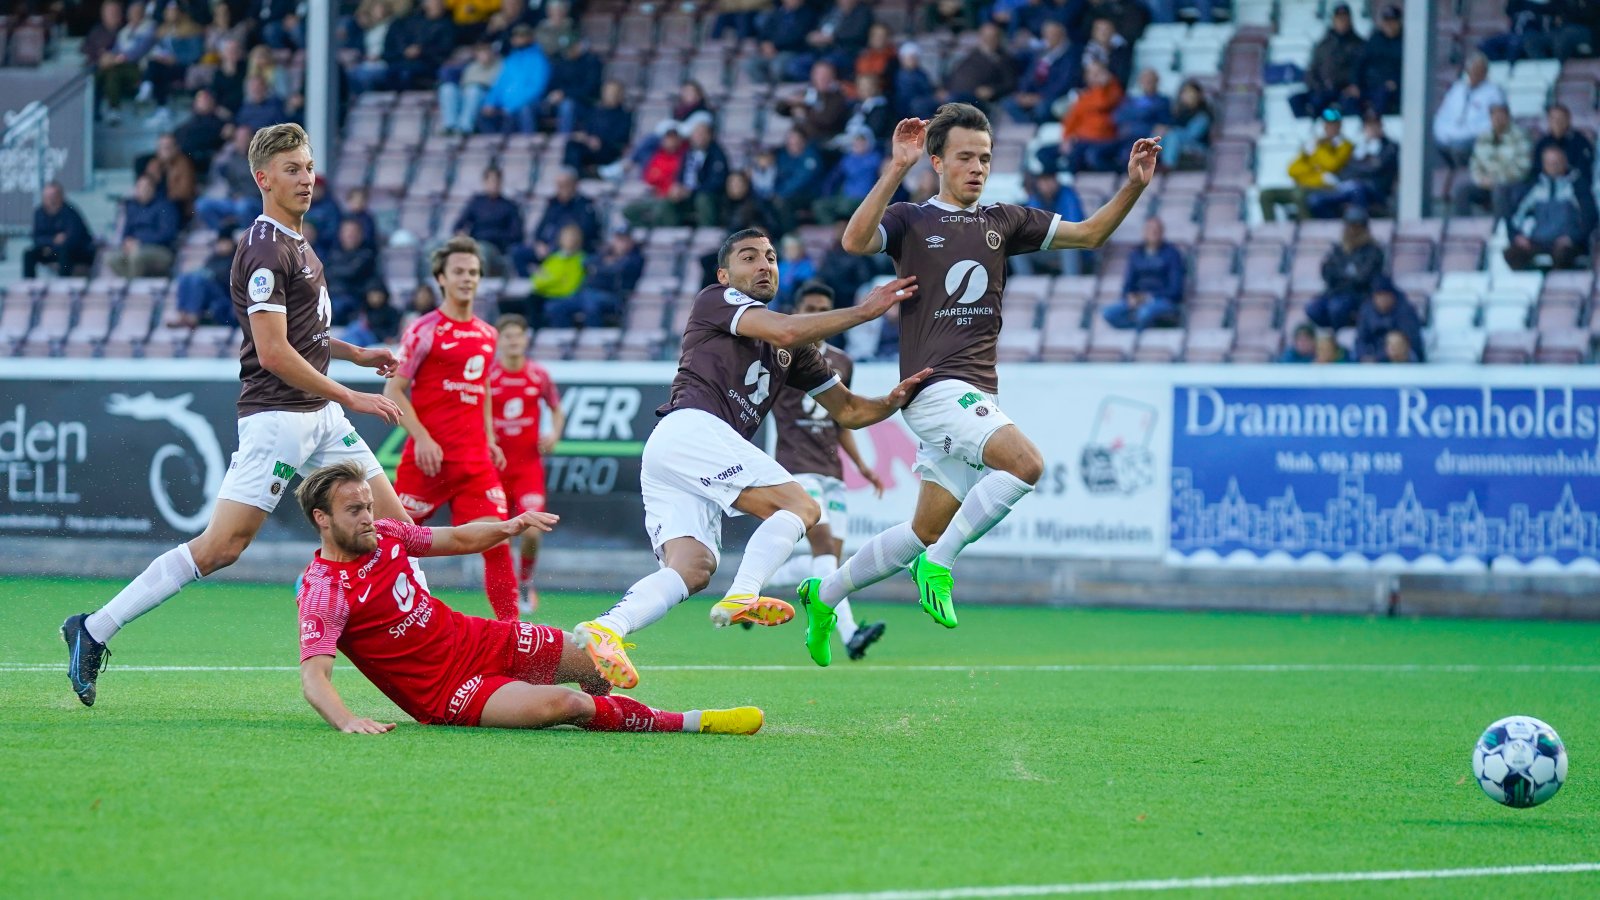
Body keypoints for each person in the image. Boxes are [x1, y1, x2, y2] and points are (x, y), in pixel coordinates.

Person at [62, 124, 406, 708]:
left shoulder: (300, 242)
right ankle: (93, 629)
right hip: (278, 418)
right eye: (292, 169)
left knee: (393, 529)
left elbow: (306, 334)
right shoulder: (265, 248)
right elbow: (272, 351)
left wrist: (354, 353)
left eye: (309, 166)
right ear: (262, 178)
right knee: (221, 548)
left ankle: (429, 651)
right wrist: (350, 394)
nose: (306, 178)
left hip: (319, 413)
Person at [822, 104, 1157, 660]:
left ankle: (826, 593)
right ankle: (939, 567)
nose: (977, 168)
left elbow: (1092, 234)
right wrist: (894, 167)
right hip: (933, 388)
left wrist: (1133, 186)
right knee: (1026, 465)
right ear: (937, 161)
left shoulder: (1004, 220)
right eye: (964, 158)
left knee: (921, 530)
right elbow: (855, 242)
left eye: (985, 158)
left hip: (975, 392)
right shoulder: (910, 218)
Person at [569, 230, 927, 689]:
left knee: (693, 568)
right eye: (749, 257)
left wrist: (893, 400)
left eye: (772, 258)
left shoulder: (793, 349)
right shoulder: (715, 300)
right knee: (802, 508)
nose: (765, 264)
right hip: (693, 429)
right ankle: (743, 595)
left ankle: (606, 630)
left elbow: (851, 411)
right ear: (725, 274)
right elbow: (788, 327)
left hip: (677, 451)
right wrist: (864, 311)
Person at [293, 461, 763, 735]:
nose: (369, 518)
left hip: (480, 639)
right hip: (445, 692)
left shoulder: (389, 533)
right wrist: (348, 720)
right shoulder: (324, 590)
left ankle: (601, 690)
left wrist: (508, 526)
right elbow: (315, 678)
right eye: (355, 510)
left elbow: (455, 539)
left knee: (591, 662)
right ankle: (688, 721)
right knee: (564, 705)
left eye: (369, 507)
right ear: (322, 518)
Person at [385, 236, 520, 623]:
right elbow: (393, 389)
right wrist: (422, 438)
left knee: (496, 541)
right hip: (427, 461)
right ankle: (341, 593)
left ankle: (512, 633)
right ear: (441, 278)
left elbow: (484, 389)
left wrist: (490, 438)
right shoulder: (423, 330)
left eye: (474, 273)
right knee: (389, 542)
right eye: (459, 272)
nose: (467, 279)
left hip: (474, 462)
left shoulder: (487, 334)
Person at [764, 284, 888, 661]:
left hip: (831, 469)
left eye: (823, 308)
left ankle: (757, 588)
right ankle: (849, 633)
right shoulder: (780, 353)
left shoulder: (842, 361)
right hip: (795, 467)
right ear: (798, 311)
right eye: (811, 307)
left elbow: (841, 417)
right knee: (822, 547)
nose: (817, 313)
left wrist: (863, 466)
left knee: (832, 557)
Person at [488, 314, 565, 614]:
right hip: (494, 469)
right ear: (499, 341)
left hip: (528, 467)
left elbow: (558, 411)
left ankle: (525, 580)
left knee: (532, 530)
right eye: (508, 336)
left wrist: (554, 434)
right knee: (498, 534)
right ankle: (505, 591)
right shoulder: (489, 376)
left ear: (525, 339)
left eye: (518, 336)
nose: (513, 341)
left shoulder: (538, 376)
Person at [1504, 144, 1598, 270]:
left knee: (1564, 255)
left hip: (1565, 241)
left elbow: (1589, 217)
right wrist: (1517, 235)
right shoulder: (1533, 186)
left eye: (1557, 162)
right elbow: (1515, 215)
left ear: (1565, 162)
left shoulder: (1578, 186)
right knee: (1513, 253)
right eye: (1549, 163)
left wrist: (1573, 237)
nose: (1553, 166)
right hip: (1536, 239)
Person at [1259, 107, 1350, 222]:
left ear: (1339, 126)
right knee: (1266, 194)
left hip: (1326, 188)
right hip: (1305, 186)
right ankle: (1271, 230)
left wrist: (1319, 149)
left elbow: (1332, 165)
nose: (1329, 128)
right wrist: (1314, 167)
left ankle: (1307, 230)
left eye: (1333, 125)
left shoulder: (1345, 145)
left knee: (1299, 194)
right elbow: (1292, 170)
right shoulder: (1314, 146)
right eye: (1327, 125)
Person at [543, 226, 643, 328]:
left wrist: (600, 267)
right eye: (617, 239)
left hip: (612, 296)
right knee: (554, 307)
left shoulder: (635, 258)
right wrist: (605, 264)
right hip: (587, 293)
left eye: (623, 240)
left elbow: (617, 270)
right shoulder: (605, 253)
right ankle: (564, 338)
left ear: (631, 241)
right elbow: (587, 262)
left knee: (591, 304)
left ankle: (594, 339)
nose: (619, 243)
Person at [1037, 60, 1123, 173]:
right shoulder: (1084, 97)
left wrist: (1106, 84)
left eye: (1098, 73)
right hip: (1080, 140)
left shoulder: (1113, 91)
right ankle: (1059, 176)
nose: (1095, 77)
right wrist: (1066, 139)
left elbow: (1103, 103)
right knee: (1042, 153)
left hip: (1101, 140)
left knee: (1079, 156)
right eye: (1091, 73)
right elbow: (1072, 119)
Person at [1308, 111, 1398, 218]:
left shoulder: (1390, 147)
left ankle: (1359, 226)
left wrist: (1359, 166)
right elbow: (1346, 170)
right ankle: (1334, 229)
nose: (1372, 129)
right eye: (1368, 125)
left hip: (1376, 191)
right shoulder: (1357, 147)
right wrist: (1366, 163)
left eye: (1375, 125)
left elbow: (1374, 169)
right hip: (1350, 187)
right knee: (1316, 199)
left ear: (1381, 126)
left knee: (1357, 188)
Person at [1307, 206, 1385, 328]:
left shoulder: (1373, 250)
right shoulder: (1339, 248)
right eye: (1349, 226)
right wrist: (1345, 273)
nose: (1352, 230)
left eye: (1356, 227)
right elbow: (1326, 271)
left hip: (1358, 295)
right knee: (1313, 309)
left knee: (1337, 308)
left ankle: (1341, 334)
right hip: (1335, 291)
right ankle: (1329, 335)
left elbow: (1362, 278)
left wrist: (1340, 274)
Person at [1451, 103, 1531, 218]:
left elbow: (1523, 167)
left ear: (1508, 117)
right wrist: (1481, 180)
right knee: (1461, 190)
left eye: (1501, 115)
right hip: (1486, 184)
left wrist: (1497, 180)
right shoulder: (1483, 137)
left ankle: (1499, 229)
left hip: (1510, 184)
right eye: (1495, 116)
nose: (1498, 119)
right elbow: (1475, 164)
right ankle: (1465, 228)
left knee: (1499, 191)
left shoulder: (1520, 136)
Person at [1102, 217, 1183, 330]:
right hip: (1139, 300)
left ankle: (1139, 334)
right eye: (1150, 229)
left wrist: (1148, 297)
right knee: (1108, 313)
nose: (1153, 232)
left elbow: (1175, 289)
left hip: (1162, 299)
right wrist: (1130, 297)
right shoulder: (1135, 255)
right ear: (1144, 233)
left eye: (1157, 229)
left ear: (1162, 232)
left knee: (1144, 313)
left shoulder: (1172, 254)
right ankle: (1139, 329)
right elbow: (1128, 283)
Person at [1289, 2, 1364, 119]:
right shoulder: (1322, 45)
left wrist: (1352, 85)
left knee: (1348, 103)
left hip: (1345, 92)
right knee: (1297, 100)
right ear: (1333, 20)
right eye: (1339, 18)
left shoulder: (1359, 45)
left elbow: (1361, 71)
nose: (1342, 21)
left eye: (1345, 18)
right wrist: (1318, 86)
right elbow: (1311, 71)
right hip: (1323, 90)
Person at [1434, 52, 1506, 167]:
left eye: (1478, 70)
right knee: (1426, 144)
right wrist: (1444, 134)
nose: (1474, 74)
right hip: (1449, 135)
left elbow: (1495, 122)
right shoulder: (1457, 89)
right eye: (1471, 70)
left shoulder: (1494, 92)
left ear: (1485, 72)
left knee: (1460, 148)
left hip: (1474, 137)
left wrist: (1463, 134)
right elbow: (1443, 114)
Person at [452, 167, 525, 277]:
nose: (494, 185)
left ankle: (477, 287)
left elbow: (516, 235)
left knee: (481, 251)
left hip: (496, 248)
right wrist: (460, 233)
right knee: (436, 246)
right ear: (485, 182)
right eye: (490, 181)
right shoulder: (476, 202)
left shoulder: (510, 206)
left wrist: (492, 237)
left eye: (496, 181)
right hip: (474, 242)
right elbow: (459, 225)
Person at [106, 175, 180, 277]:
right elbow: (126, 232)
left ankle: (133, 288)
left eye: (146, 187)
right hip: (134, 248)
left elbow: (166, 234)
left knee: (136, 256)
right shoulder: (132, 207)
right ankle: (132, 284)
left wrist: (140, 241)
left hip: (161, 250)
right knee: (111, 258)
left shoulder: (165, 206)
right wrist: (127, 242)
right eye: (139, 187)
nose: (142, 190)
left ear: (153, 189)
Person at [24, 183, 95, 278]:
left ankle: (64, 283)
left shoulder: (70, 212)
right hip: (50, 249)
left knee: (64, 252)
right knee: (29, 254)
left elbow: (73, 239)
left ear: (61, 196)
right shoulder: (39, 213)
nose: (50, 199)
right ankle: (29, 284)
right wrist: (52, 241)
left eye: (53, 196)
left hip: (76, 252)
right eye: (47, 196)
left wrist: (51, 245)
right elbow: (36, 238)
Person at [169, 234, 239, 328]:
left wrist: (211, 276)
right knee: (185, 278)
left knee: (198, 280)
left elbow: (228, 280)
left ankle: (193, 315)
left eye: (224, 243)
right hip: (209, 292)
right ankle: (182, 314)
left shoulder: (235, 258)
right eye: (219, 243)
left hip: (224, 294)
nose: (221, 246)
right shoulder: (213, 258)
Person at [437, 41, 501, 136]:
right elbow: (463, 84)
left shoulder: (500, 66)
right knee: (447, 88)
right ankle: (450, 125)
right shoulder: (472, 67)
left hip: (487, 96)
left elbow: (498, 88)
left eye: (486, 52)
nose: (484, 55)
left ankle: (465, 127)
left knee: (473, 90)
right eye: (480, 53)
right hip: (467, 94)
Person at [324, 219, 381, 324]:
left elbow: (351, 272)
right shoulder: (333, 253)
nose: (350, 235)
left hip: (356, 300)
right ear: (340, 234)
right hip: (332, 296)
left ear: (361, 234)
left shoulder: (367, 254)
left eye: (354, 232)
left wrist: (333, 271)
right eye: (347, 231)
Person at [1355, 280, 1424, 363]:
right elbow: (1361, 339)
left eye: (1385, 296)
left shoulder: (1406, 310)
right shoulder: (1367, 310)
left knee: (1395, 339)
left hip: (1403, 358)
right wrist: (1363, 356)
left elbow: (1412, 341)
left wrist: (1379, 357)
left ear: (1393, 296)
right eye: (1379, 296)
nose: (1382, 300)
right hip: (1375, 357)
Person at [1531, 103, 1595, 187]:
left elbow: (1585, 169)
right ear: (1548, 121)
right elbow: (1536, 170)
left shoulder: (1580, 142)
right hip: (1545, 187)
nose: (1557, 122)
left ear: (1568, 120)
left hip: (1573, 187)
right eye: (1553, 119)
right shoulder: (1542, 143)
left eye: (1561, 118)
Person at [1159, 79, 1212, 171]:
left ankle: (1168, 166)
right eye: (1185, 93)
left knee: (1172, 135)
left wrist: (1171, 130)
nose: (1187, 96)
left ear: (1199, 95)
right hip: (1178, 144)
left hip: (1198, 147)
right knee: (1159, 133)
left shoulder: (1203, 114)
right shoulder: (1180, 112)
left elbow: (1192, 135)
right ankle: (1149, 161)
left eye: (1191, 92)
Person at [1360, 6, 1404, 116]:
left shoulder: (1405, 42)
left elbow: (1409, 68)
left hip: (1393, 88)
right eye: (1386, 21)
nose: (1389, 25)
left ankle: (1375, 125)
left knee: (1382, 95)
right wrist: (1355, 84)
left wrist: (1396, 81)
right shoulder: (1374, 40)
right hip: (1371, 84)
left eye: (1393, 21)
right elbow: (1360, 63)